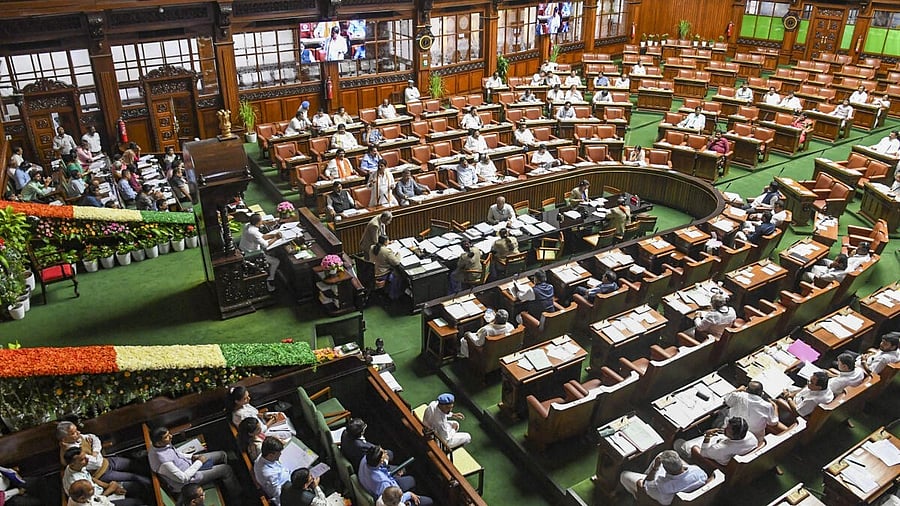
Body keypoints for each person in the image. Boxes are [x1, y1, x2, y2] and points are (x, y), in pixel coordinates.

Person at [147, 426, 240, 502]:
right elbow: (183, 478)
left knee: (221, 454)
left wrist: (191, 456)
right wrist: (199, 462)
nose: (171, 436)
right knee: (226, 469)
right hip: (189, 481)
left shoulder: (158, 445)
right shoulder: (163, 462)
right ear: (159, 442)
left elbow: (176, 453)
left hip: (190, 464)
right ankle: (236, 496)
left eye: (169, 434)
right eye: (167, 437)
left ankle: (226, 477)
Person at [56, 422, 151, 494]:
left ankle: (157, 477)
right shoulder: (72, 453)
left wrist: (95, 452)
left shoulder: (78, 437)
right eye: (73, 433)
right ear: (65, 439)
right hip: (101, 474)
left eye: (77, 430)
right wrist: (95, 451)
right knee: (134, 477)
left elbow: (94, 438)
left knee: (134, 464)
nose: (79, 432)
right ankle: (154, 489)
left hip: (107, 461)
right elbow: (96, 463)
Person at [619, 450, 708, 505]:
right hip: (679, 489)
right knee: (662, 454)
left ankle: (634, 495)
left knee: (624, 475)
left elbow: (646, 484)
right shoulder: (698, 471)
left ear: (666, 470)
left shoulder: (663, 485)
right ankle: (645, 473)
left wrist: (655, 468)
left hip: (662, 497)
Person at [62, 448, 144, 506]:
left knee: (137, 486)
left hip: (101, 492)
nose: (87, 459)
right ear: (72, 463)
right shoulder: (76, 483)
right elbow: (94, 499)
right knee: (136, 503)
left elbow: (92, 479)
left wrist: (109, 486)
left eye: (85, 456)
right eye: (82, 459)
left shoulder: (76, 467)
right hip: (101, 498)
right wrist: (111, 489)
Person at [358, 446, 432, 506]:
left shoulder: (366, 459)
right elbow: (393, 500)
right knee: (429, 501)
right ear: (380, 460)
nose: (385, 452)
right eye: (384, 453)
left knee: (410, 479)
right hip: (394, 494)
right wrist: (409, 495)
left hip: (378, 483)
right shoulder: (383, 484)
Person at [675, 417, 757, 466]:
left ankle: (688, 459)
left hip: (712, 457)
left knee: (680, 444)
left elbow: (703, 453)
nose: (725, 429)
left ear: (734, 435)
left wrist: (707, 436)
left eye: (727, 429)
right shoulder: (751, 436)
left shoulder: (719, 448)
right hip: (723, 449)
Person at [229, 385, 296, 438]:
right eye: (245, 398)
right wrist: (271, 421)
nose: (249, 399)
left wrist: (264, 415)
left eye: (248, 396)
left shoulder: (244, 404)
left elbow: (255, 413)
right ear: (237, 401)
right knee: (287, 433)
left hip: (261, 421)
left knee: (281, 414)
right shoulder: (240, 415)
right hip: (259, 432)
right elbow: (258, 430)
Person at [239, 213, 282, 291]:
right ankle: (270, 279)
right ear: (258, 223)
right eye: (261, 221)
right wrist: (276, 238)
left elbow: (261, 236)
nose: (262, 222)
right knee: (276, 261)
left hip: (244, 249)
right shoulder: (253, 232)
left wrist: (273, 235)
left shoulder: (248, 225)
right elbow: (265, 245)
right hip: (252, 255)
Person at [254, 437, 291, 505]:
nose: (280, 454)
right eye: (279, 453)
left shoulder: (262, 456)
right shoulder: (269, 475)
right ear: (270, 455)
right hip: (287, 489)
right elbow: (278, 495)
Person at [371, 235, 403, 299]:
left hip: (373, 270)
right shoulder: (387, 251)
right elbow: (396, 263)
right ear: (385, 242)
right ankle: (394, 295)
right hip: (382, 274)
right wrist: (398, 255)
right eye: (388, 240)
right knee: (399, 274)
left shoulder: (372, 247)